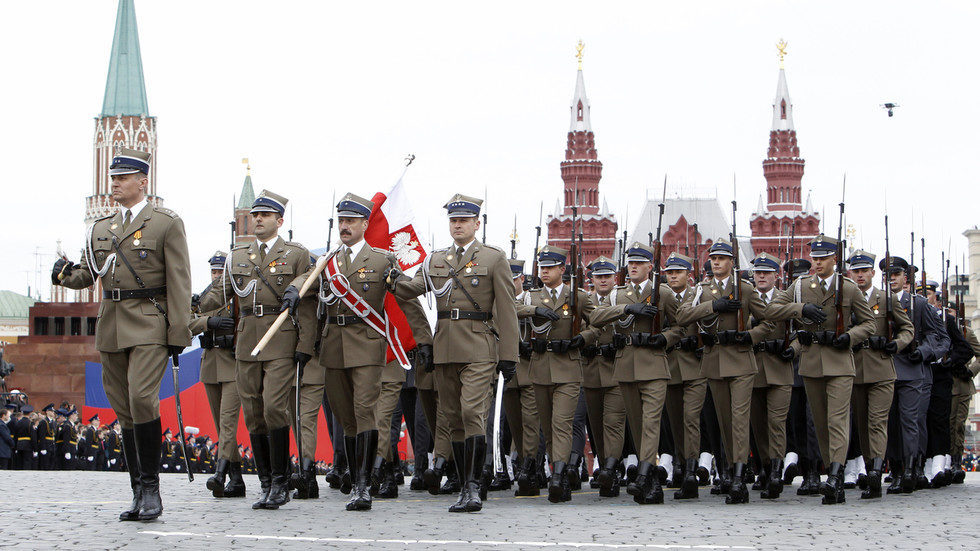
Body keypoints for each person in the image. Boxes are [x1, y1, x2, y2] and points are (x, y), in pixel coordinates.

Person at [52, 147, 192, 520]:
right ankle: (136, 491)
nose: (114, 183)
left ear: (142, 181)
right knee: (124, 408)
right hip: (111, 324)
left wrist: (179, 330)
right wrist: (62, 273)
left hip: (149, 321)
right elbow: (88, 274)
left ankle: (151, 490)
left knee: (142, 398)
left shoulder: (165, 222)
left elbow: (179, 281)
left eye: (123, 177)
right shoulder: (101, 228)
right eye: (113, 177)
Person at [386, 193, 519, 513]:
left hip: (479, 348)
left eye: (464, 220)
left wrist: (509, 354)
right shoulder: (436, 260)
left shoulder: (493, 258)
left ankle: (474, 486)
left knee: (473, 413)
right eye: (453, 220)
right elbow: (411, 289)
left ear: (476, 223)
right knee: (454, 420)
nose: (458, 225)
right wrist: (391, 277)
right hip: (445, 347)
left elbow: (507, 307)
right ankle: (462, 483)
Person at [202, 189, 317, 510]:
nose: (258, 220)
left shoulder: (295, 253)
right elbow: (218, 293)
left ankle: (281, 481)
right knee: (253, 413)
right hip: (247, 341)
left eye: (265, 215)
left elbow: (314, 276)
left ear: (280, 221)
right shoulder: (237, 257)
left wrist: (295, 287)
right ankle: (266, 482)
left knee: (273, 407)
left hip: (280, 340)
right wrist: (192, 303)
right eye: (255, 215)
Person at [765, 235, 876, 505]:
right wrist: (800, 308)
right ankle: (832, 468)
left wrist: (849, 337)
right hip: (811, 361)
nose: (817, 262)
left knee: (838, 420)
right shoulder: (801, 286)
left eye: (823, 258)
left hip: (839, 360)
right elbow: (772, 308)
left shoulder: (847, 288)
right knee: (821, 422)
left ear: (834, 260)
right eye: (815, 257)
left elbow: (869, 324)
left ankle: (835, 477)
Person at [676, 239, 772, 505]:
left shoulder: (745, 289)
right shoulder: (701, 290)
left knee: (740, 420)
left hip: (741, 360)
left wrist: (749, 337)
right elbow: (683, 316)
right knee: (725, 421)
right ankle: (728, 471)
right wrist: (712, 307)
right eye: (713, 258)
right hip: (714, 360)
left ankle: (740, 478)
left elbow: (768, 322)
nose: (716, 262)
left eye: (721, 258)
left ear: (732, 261)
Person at [591, 242, 684, 505]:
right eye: (630, 262)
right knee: (638, 425)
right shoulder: (618, 295)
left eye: (639, 263)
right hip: (626, 366)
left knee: (651, 423)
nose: (632, 266)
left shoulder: (663, 293)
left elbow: (680, 326)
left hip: (654, 364)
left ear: (650, 267)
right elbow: (596, 318)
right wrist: (627, 309)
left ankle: (643, 475)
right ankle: (651, 482)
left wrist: (664, 339)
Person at [516, 245, 595, 503]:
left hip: (568, 368)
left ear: (562, 269)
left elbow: (598, 323)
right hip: (539, 369)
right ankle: (555, 466)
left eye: (550, 267)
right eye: (542, 267)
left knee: (562, 423)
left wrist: (581, 338)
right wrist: (534, 311)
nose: (545, 272)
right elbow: (508, 309)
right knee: (548, 426)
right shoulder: (531, 297)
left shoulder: (577, 296)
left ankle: (559, 476)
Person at [845, 250, 913, 499]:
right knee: (862, 425)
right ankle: (869, 462)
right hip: (854, 368)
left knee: (877, 421)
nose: (860, 275)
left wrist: (897, 344)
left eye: (865, 271)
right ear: (850, 273)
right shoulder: (845, 298)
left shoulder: (886, 299)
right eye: (856, 271)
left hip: (882, 367)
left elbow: (907, 328)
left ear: (873, 273)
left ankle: (875, 471)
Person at [878, 257, 949, 494]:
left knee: (910, 421)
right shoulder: (877, 302)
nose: (892, 279)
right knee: (889, 423)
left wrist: (925, 351)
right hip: (884, 369)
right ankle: (896, 469)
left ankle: (911, 469)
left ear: (905, 277)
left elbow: (940, 337)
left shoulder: (918, 304)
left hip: (911, 370)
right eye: (888, 275)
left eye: (896, 274)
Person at [191, 251, 246, 498]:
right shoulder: (204, 297)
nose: (216, 276)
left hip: (232, 364)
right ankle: (236, 479)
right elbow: (188, 322)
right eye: (213, 271)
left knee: (227, 423)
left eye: (220, 272)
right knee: (220, 425)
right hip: (210, 363)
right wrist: (208, 323)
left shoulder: (237, 295)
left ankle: (220, 473)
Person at [747, 252, 797, 499]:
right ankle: (765, 468)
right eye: (758, 272)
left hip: (779, 367)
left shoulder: (785, 299)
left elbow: (800, 331)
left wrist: (793, 349)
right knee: (758, 425)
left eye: (766, 272)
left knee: (776, 423)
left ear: (776, 276)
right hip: (753, 368)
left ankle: (776, 470)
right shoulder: (747, 297)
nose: (762, 276)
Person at [661, 252, 708, 500]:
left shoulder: (697, 294)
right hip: (670, 366)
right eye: (669, 272)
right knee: (676, 421)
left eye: (678, 272)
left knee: (691, 418)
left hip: (696, 366)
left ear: (688, 274)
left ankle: (690, 469)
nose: (673, 276)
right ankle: (680, 465)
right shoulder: (662, 296)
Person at [581, 256, 627, 498]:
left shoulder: (622, 299)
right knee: (596, 426)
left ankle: (610, 469)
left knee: (614, 423)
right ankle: (604, 463)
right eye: (598, 277)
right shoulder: (583, 301)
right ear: (592, 279)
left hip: (615, 369)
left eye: (607, 276)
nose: (602, 280)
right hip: (590, 371)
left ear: (615, 278)